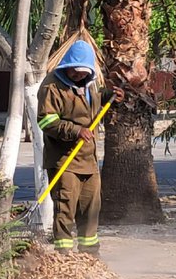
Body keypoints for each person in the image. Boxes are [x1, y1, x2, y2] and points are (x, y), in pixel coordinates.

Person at [37, 40, 122, 255]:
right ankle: (64, 256)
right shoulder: (51, 87)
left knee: (91, 208)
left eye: (84, 73)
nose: (79, 76)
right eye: (75, 72)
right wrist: (75, 131)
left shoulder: (89, 84)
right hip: (64, 160)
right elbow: (46, 121)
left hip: (88, 159)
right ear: (68, 66)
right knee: (65, 209)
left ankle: (89, 254)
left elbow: (91, 103)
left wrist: (109, 96)